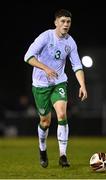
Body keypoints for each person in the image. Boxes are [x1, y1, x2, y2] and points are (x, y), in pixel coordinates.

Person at [24, 9, 88, 168]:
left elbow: (77, 65)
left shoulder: (70, 42)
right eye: (63, 21)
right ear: (56, 23)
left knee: (61, 114)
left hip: (59, 82)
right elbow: (28, 57)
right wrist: (45, 68)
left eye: (68, 22)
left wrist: (82, 85)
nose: (66, 24)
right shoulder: (45, 37)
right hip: (41, 85)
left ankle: (63, 156)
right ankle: (42, 149)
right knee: (45, 122)